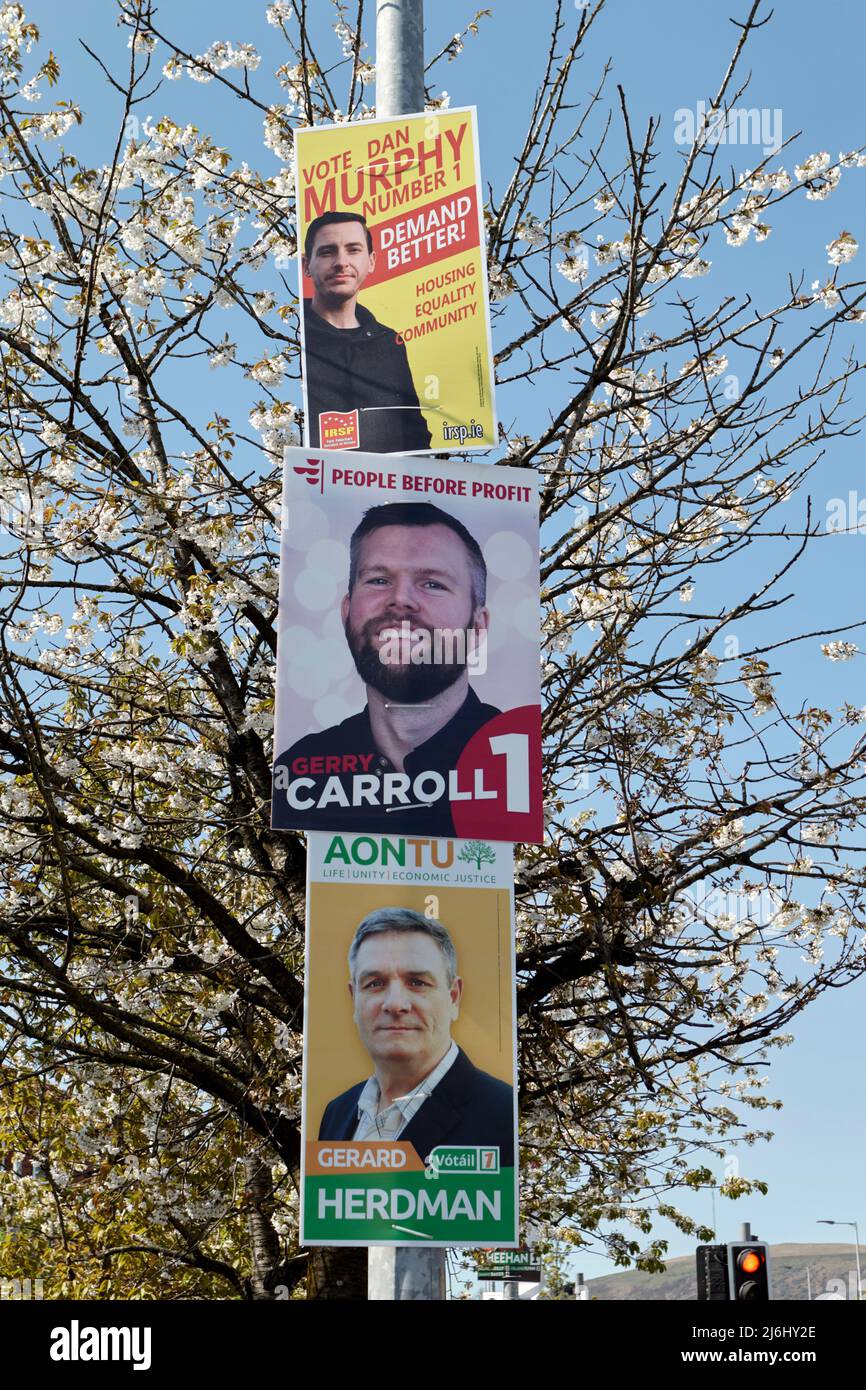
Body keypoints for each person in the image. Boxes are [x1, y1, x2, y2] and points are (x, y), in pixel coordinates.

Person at [272, 501, 500, 834]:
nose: (401, 599)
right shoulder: (300, 772)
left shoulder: (511, 761)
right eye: (379, 580)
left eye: (433, 584)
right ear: (347, 612)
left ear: (477, 627)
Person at [317, 908, 515, 1167]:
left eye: (417, 982)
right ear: (354, 998)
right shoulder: (337, 1113)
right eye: (375, 983)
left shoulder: (504, 1113)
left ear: (453, 997)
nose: (395, 1004)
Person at [301, 210, 432, 453]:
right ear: (306, 265)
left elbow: (415, 432)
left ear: (371, 261)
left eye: (353, 249)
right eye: (327, 252)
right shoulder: (294, 338)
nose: (341, 262)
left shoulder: (389, 342)